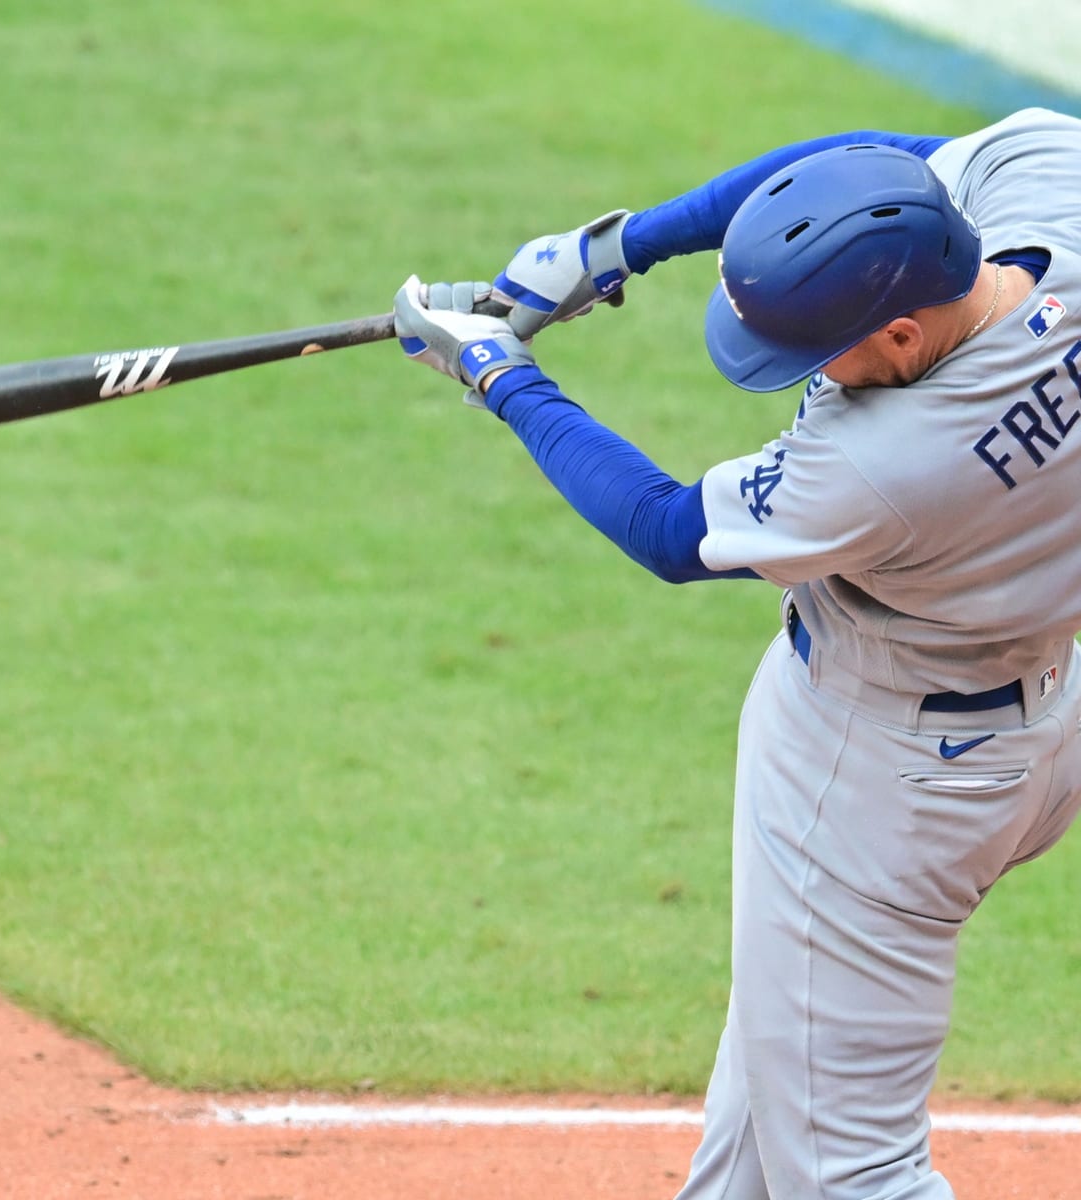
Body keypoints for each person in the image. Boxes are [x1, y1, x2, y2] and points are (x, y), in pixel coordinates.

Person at [392, 105, 1081, 1199]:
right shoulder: (1058, 191)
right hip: (1033, 721)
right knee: (767, 1124)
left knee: (852, 1176)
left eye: (822, 350)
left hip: (880, 785)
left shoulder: (889, 464)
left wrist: (500, 377)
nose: (805, 371)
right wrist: (619, 246)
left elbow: (671, 531)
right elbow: (873, 167)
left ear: (904, 334)